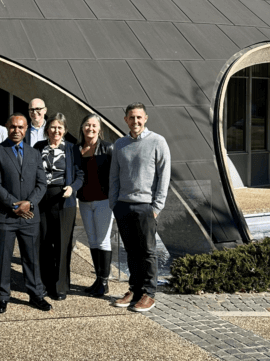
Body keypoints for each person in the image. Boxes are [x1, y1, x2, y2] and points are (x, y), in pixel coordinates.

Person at [0, 113, 51, 313]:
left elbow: (42, 183)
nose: (17, 130)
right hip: (6, 216)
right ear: (7, 126)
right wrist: (15, 205)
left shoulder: (34, 153)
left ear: (26, 129)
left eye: (21, 127)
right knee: (3, 257)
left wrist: (29, 204)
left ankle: (36, 294)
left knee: (31, 257)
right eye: (13, 126)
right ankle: (3, 295)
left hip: (30, 216)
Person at [109, 103, 170, 313]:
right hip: (123, 206)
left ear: (146, 119)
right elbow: (114, 177)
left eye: (139, 117)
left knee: (147, 251)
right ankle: (134, 289)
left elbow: (164, 176)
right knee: (131, 251)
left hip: (146, 206)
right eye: (131, 117)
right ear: (125, 119)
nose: (135, 121)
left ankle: (149, 293)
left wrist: (156, 207)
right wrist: (114, 204)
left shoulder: (157, 142)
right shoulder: (119, 144)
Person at [33, 113, 82, 301]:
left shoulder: (71, 149)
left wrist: (73, 187)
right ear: (47, 129)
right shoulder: (38, 147)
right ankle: (45, 283)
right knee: (44, 243)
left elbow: (80, 175)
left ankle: (61, 286)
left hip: (64, 201)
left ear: (65, 130)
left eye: (59, 127)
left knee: (62, 244)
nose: (56, 130)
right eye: (52, 127)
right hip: (42, 201)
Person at [76, 113, 115, 297]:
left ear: (99, 129)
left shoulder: (108, 148)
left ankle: (105, 282)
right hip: (84, 201)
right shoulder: (77, 149)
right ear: (82, 127)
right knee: (92, 240)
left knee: (103, 240)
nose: (90, 128)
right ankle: (98, 279)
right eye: (87, 125)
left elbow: (115, 175)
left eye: (94, 125)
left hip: (103, 201)